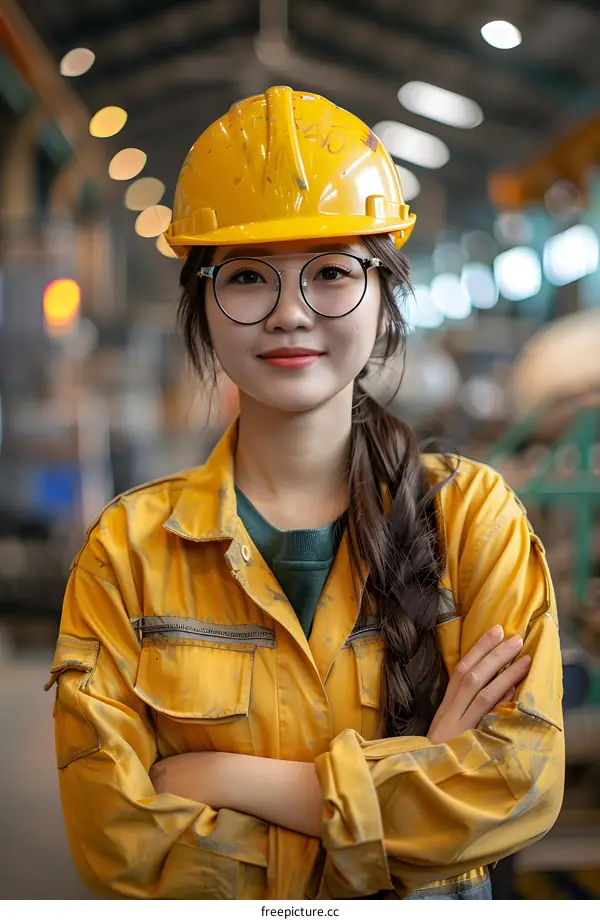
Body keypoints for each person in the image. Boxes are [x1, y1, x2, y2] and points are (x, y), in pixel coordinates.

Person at [45, 86, 564, 900]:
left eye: (330, 273)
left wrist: (221, 776)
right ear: (202, 308)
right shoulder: (129, 551)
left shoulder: (472, 520)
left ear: (385, 297)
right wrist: (420, 777)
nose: (291, 313)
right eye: (249, 278)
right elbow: (121, 847)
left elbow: (514, 787)